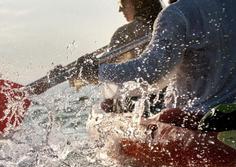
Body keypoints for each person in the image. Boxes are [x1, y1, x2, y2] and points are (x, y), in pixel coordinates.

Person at [74, 0, 236, 129]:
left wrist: (98, 72)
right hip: (230, 117)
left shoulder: (177, 14)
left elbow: (150, 72)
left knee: (109, 109)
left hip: (195, 123)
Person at [100, 0, 163, 113]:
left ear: (138, 3)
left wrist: (86, 69)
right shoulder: (168, 27)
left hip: (138, 103)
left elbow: (105, 67)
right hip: (165, 98)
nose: (120, 10)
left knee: (109, 101)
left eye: (123, 4)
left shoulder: (125, 32)